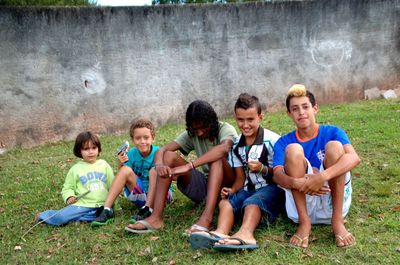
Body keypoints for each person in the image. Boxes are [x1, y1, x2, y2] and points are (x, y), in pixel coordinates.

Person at [125, 100, 238, 234]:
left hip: (230, 187)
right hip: (206, 187)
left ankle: (206, 219)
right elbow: (162, 150)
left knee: (217, 159)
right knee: (168, 156)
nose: (200, 133)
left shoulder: (225, 129)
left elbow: (224, 149)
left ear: (212, 121)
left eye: (203, 128)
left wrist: (190, 166)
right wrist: (160, 165)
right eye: (195, 129)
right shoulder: (193, 134)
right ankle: (156, 218)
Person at [189, 93, 285, 251]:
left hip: (272, 189)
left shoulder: (273, 141)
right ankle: (221, 233)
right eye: (241, 120)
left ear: (260, 117)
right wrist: (232, 189)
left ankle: (246, 234)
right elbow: (240, 177)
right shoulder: (236, 145)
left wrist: (262, 168)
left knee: (251, 203)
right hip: (248, 189)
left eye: (250, 119)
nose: (245, 125)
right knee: (225, 203)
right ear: (235, 118)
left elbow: (282, 174)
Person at [272, 84, 361, 248]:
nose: (301, 112)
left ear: (315, 109)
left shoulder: (333, 131)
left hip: (331, 198)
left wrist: (321, 177)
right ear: (289, 114)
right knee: (293, 150)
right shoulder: (283, 142)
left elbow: (354, 158)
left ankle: (337, 222)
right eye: (295, 109)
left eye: (305, 107)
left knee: (335, 146)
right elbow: (277, 175)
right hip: (302, 201)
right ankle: (305, 224)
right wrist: (297, 183)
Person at [92, 119, 173, 226]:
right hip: (141, 195)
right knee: (125, 169)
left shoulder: (159, 153)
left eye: (146, 137)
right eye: (138, 138)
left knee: (154, 171)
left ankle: (148, 209)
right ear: (133, 140)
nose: (142, 141)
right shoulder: (131, 154)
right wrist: (120, 163)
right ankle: (107, 210)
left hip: (160, 197)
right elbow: (123, 175)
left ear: (153, 138)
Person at [36, 131, 114, 226]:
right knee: (62, 217)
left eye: (94, 148)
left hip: (103, 205)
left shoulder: (104, 165)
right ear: (79, 151)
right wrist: (69, 197)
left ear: (99, 149)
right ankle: (44, 215)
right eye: (86, 149)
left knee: (104, 214)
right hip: (83, 205)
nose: (91, 152)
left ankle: (88, 217)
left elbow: (113, 186)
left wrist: (115, 205)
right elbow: (68, 187)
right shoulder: (75, 169)